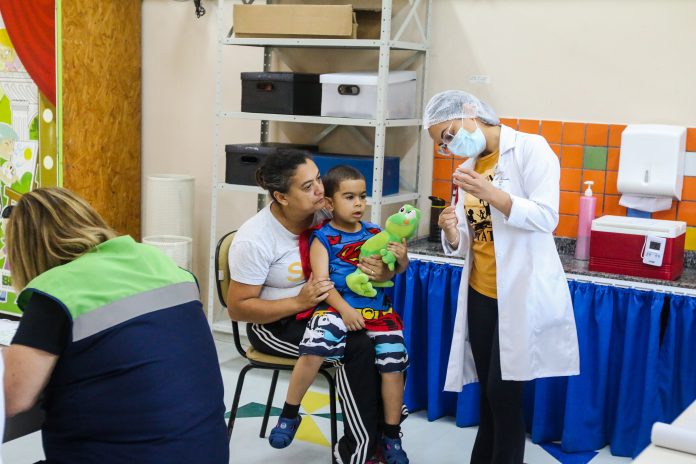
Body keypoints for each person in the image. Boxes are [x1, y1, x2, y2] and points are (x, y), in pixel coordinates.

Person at [2, 187, 228, 464]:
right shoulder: (162, 264)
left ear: (24, 250)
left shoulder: (56, 292)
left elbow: (14, 398)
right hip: (206, 451)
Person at [423, 90, 580, 464]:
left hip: (520, 292)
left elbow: (547, 218)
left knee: (504, 393)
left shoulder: (530, 149)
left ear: (470, 112)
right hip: (481, 290)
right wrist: (451, 231)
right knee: (491, 397)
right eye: (443, 144)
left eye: (447, 135)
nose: (449, 146)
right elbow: (472, 238)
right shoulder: (471, 166)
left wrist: (492, 193)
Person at [227, 150, 399, 464]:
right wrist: (297, 301)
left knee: (378, 343)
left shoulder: (326, 214)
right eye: (307, 187)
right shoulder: (254, 239)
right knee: (355, 347)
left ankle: (381, 439)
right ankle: (359, 452)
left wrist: (384, 270)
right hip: (273, 324)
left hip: (325, 313)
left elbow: (370, 257)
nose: (320, 190)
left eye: (318, 178)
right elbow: (238, 309)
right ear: (281, 196)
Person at [267, 166, 412, 463]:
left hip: (378, 311)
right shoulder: (323, 237)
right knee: (313, 349)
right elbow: (322, 283)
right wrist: (344, 310)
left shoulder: (377, 232)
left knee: (393, 365)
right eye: (349, 197)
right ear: (330, 204)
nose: (358, 203)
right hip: (333, 307)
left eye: (362, 196)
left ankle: (391, 434)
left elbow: (398, 270)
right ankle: (290, 413)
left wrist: (400, 258)